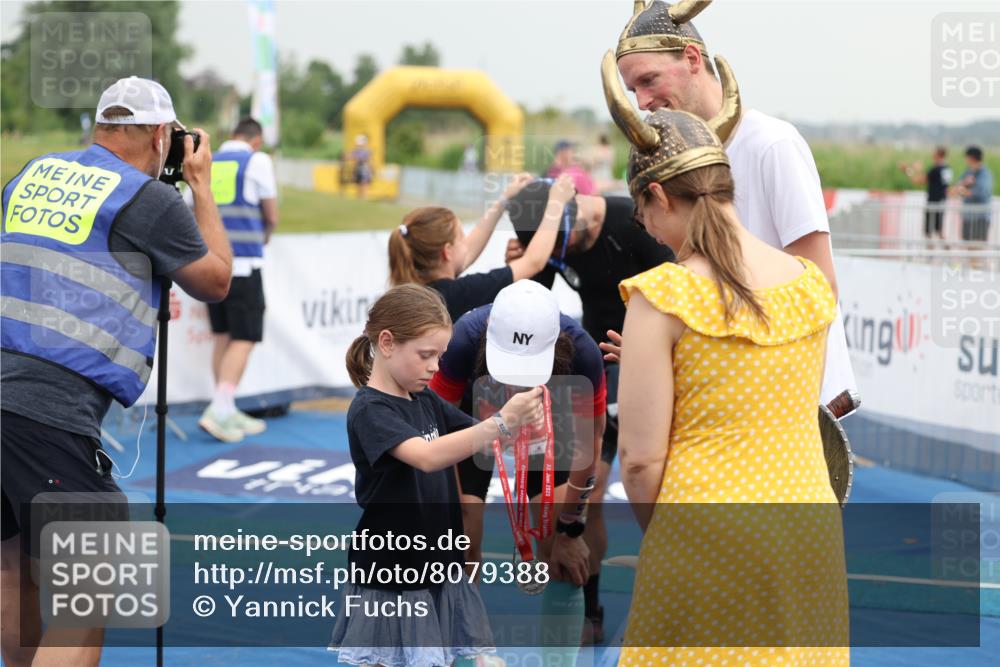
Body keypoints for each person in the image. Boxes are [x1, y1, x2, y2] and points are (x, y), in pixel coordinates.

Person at [604, 61, 849, 666]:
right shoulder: (810, 286)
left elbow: (638, 460)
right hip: (807, 528)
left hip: (703, 528)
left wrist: (666, 536)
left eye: (645, 217)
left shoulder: (663, 296)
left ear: (658, 194)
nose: (653, 235)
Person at [1, 76, 232, 667]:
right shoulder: (148, 199)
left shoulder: (32, 173)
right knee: (89, 593)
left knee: (11, 570)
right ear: (161, 135)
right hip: (48, 408)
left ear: (103, 124)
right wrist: (200, 186)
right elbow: (216, 281)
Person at [612, 0, 857, 407]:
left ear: (692, 58)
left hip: (798, 403)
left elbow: (818, 286)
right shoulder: (677, 158)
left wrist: (694, 350)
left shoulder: (772, 145)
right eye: (633, 89)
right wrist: (667, 348)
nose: (641, 102)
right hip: (741, 396)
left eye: (649, 80)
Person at [331, 283, 544, 667]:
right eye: (426, 355)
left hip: (437, 561)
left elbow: (478, 437)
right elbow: (427, 456)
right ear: (387, 342)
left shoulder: (424, 398)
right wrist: (501, 422)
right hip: (391, 572)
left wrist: (521, 423)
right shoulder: (371, 410)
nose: (435, 367)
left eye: (440, 356)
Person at [503, 178, 674, 642]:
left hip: (649, 365)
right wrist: (517, 268)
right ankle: (588, 608)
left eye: (566, 239)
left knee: (653, 489)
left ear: (574, 210)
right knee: (582, 498)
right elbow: (530, 300)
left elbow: (682, 297)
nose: (565, 251)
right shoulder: (551, 235)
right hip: (594, 366)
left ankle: (681, 591)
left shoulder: (632, 224)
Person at [429, 280, 602, 659]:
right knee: (458, 538)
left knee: (560, 548)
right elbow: (433, 433)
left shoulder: (583, 354)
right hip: (474, 413)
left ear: (557, 346)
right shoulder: (463, 339)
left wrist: (572, 528)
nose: (517, 382)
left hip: (553, 412)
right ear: (490, 339)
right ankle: (461, 653)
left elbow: (590, 452)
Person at [192, 117, 279, 442]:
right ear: (256, 141)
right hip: (244, 262)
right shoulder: (257, 160)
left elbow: (192, 208)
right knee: (245, 336)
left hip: (211, 262)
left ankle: (225, 408)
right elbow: (271, 215)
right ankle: (221, 406)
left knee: (223, 336)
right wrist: (265, 235)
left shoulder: (209, 160)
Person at [388, 173, 572, 323]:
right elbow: (534, 261)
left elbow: (467, 250)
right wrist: (556, 202)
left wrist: (504, 201)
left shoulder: (416, 290)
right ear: (447, 252)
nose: (466, 242)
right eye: (461, 237)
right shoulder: (456, 294)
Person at [900, 146, 951, 246]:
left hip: (933, 202)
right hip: (942, 202)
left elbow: (918, 180)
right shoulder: (947, 168)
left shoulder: (935, 169)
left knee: (929, 232)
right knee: (939, 231)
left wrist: (908, 170)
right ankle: (947, 254)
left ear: (937, 155)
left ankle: (930, 256)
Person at [951, 146, 994, 254]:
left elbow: (980, 193)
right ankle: (972, 269)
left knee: (978, 247)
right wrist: (964, 185)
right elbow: (955, 190)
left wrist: (963, 189)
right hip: (967, 216)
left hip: (980, 216)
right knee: (968, 246)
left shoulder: (985, 174)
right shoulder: (968, 172)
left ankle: (976, 269)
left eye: (966, 157)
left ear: (971, 157)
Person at [351, 134, 373, 199]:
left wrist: (371, 168)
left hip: (364, 168)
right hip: (358, 167)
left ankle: (364, 196)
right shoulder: (356, 150)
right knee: (358, 183)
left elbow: (368, 160)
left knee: (364, 183)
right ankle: (359, 196)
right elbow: (352, 158)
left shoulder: (367, 151)